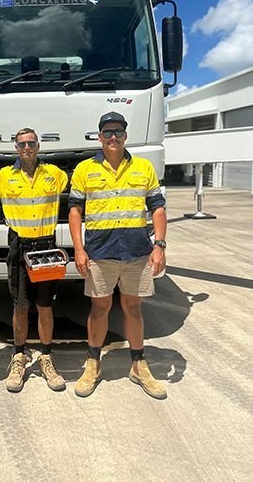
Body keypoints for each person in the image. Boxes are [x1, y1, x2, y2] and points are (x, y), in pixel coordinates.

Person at [68, 112, 168, 399]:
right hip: (100, 252)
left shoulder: (144, 167)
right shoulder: (84, 169)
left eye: (119, 132)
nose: (114, 137)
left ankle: (138, 365)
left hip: (137, 252)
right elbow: (75, 210)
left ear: (126, 136)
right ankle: (93, 364)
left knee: (133, 308)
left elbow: (157, 208)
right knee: (99, 309)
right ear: (99, 137)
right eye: (107, 132)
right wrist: (78, 248)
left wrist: (159, 245)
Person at [0, 128, 68, 392]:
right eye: (22, 144)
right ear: (15, 147)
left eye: (31, 143)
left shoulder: (56, 175)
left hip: (46, 246)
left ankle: (46, 357)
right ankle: (18, 357)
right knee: (20, 305)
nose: (27, 147)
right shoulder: (1, 178)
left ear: (38, 146)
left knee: (45, 305)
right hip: (19, 246)